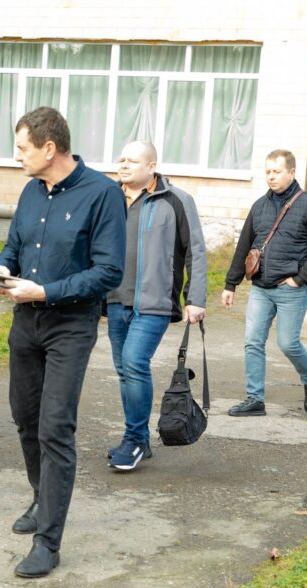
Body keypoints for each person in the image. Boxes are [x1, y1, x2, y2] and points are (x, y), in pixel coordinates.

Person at [0, 107, 125, 578]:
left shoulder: (102, 194)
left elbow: (108, 272)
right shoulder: (30, 191)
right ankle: (40, 497)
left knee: (55, 427)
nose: (16, 156)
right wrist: (3, 267)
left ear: (49, 148)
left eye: (22, 147)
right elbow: (15, 245)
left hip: (70, 324)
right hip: (26, 320)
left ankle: (48, 541)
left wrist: (45, 291)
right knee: (25, 417)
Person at [105, 140, 207, 472]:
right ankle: (138, 440)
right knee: (124, 371)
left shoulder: (176, 200)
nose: (124, 165)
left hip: (155, 302)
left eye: (132, 160)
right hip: (115, 299)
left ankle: (135, 440)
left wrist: (195, 298)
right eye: (121, 159)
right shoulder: (108, 198)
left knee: (134, 363)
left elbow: (195, 250)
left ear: (151, 166)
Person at [222, 149, 307, 417]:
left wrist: (300, 278)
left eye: (277, 172)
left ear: (291, 172)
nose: (271, 177)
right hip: (261, 288)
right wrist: (230, 284)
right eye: (268, 172)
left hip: (291, 289)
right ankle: (255, 399)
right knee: (253, 342)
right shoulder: (259, 206)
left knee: (288, 344)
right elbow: (244, 246)